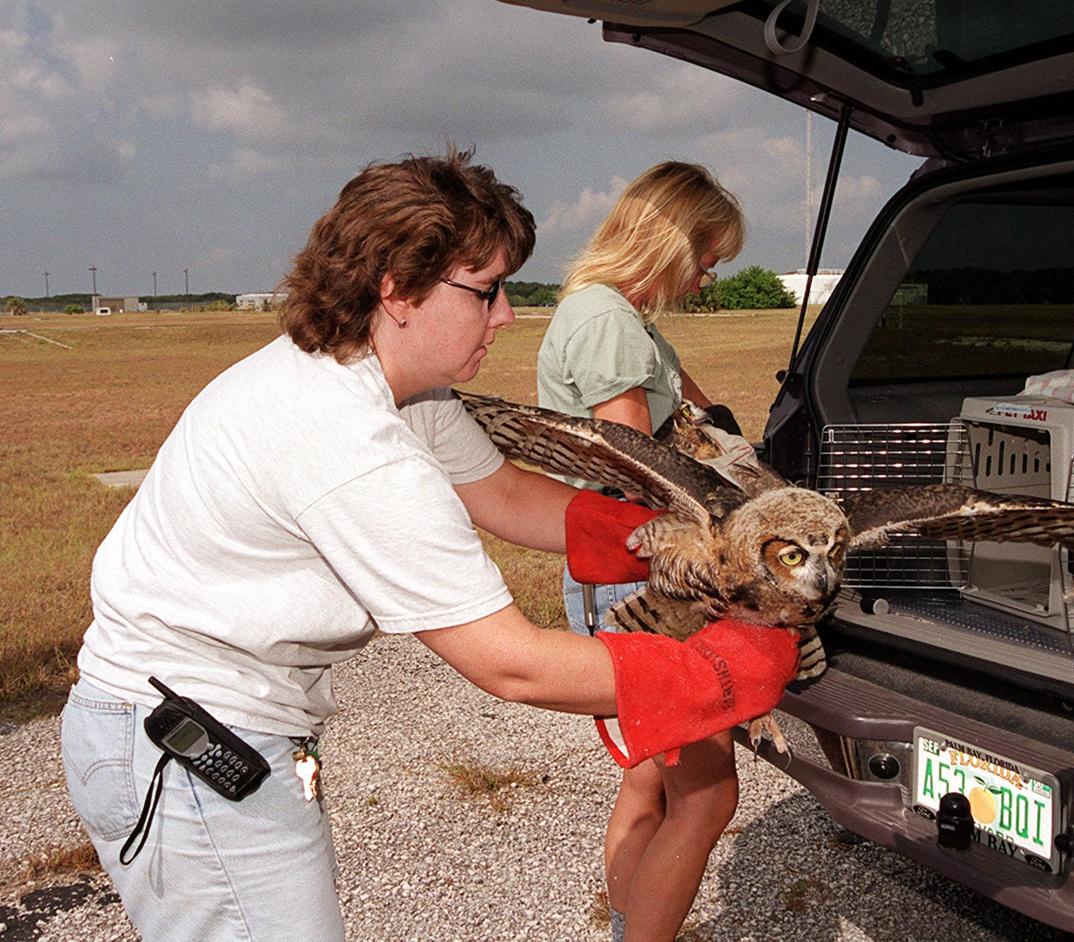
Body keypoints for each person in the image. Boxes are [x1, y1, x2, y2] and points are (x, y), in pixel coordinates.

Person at [59, 149, 799, 942]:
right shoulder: (346, 436)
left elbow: (507, 496)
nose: (509, 315)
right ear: (399, 287)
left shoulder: (400, 387)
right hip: (190, 744)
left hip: (210, 726)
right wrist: (722, 671)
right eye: (487, 293)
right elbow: (509, 662)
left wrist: (674, 543)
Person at [537, 161, 749, 942]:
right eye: (704, 258)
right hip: (638, 576)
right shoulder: (605, 321)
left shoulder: (625, 318)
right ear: (666, 242)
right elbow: (643, 466)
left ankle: (631, 921)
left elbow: (699, 410)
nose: (705, 278)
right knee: (707, 794)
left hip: (629, 568)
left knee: (649, 777)